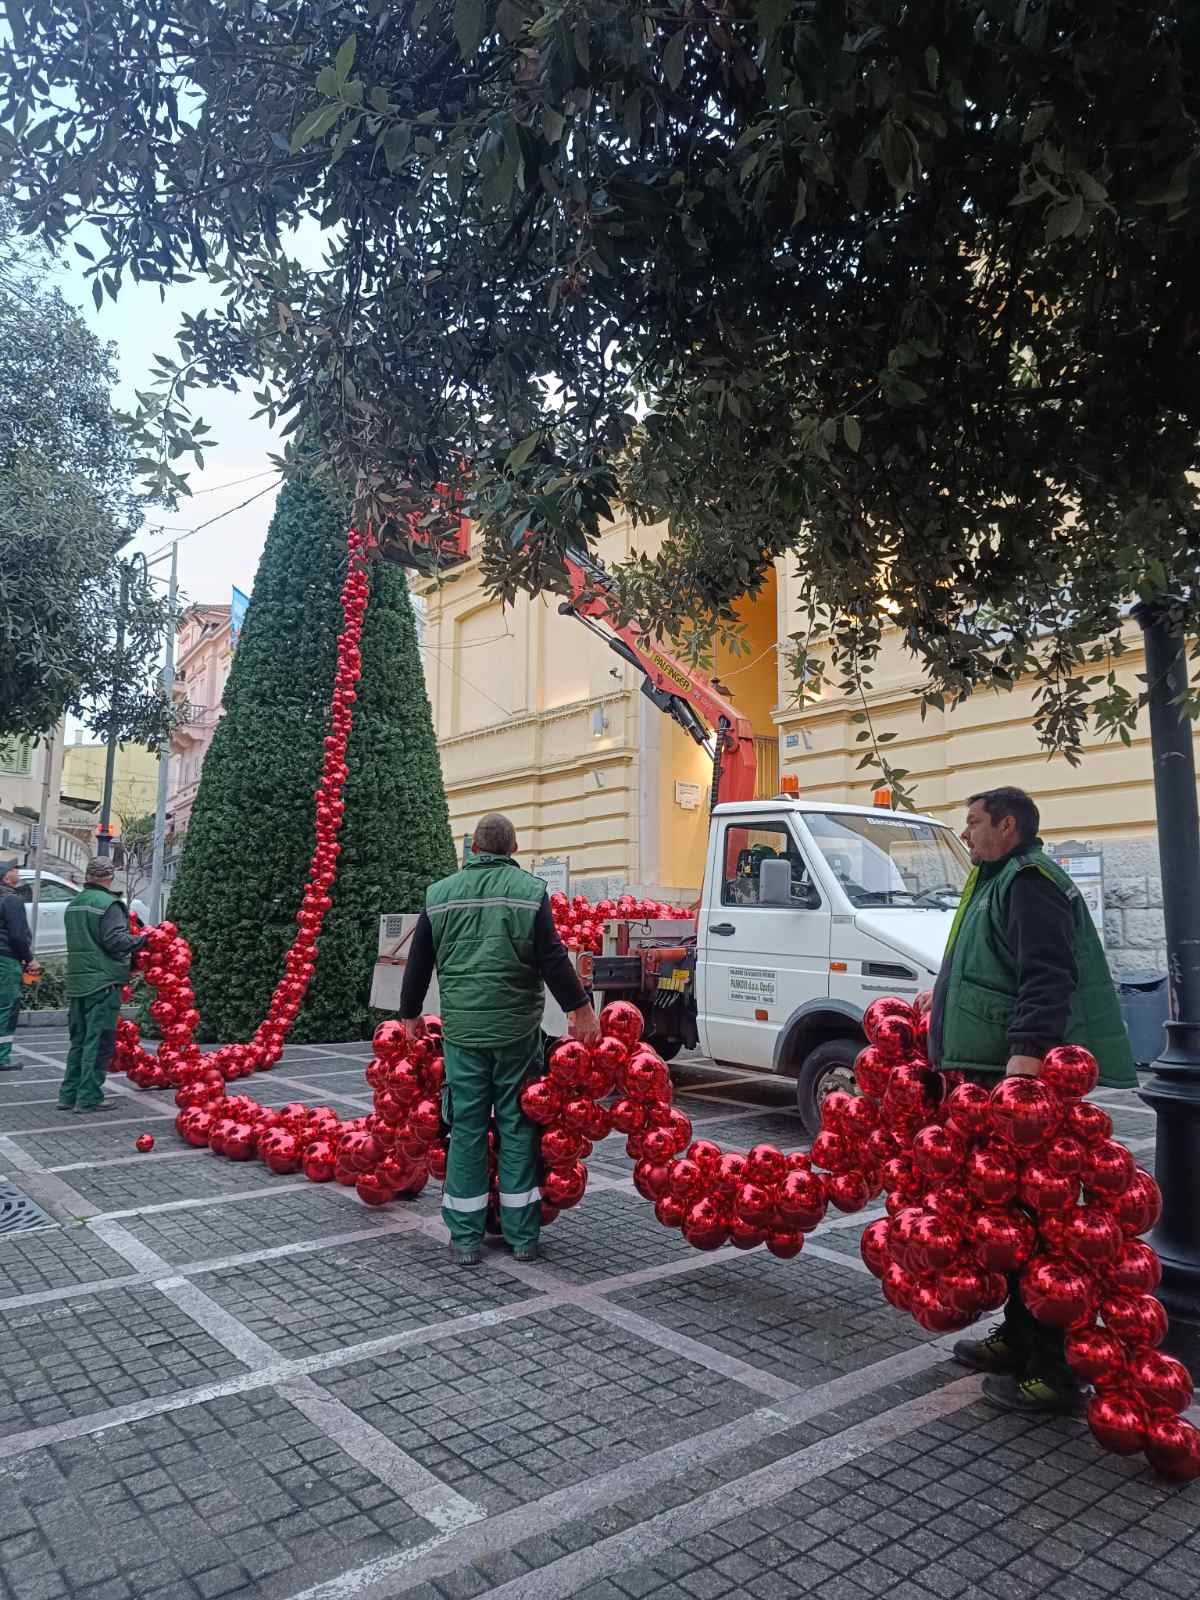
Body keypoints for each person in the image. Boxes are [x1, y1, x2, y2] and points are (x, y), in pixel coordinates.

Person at [925, 786, 1136, 1414]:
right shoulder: (998, 877)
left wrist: (1027, 1053)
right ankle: (1018, 1338)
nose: (966, 835)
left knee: (1040, 1225)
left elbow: (1048, 972)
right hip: (987, 1074)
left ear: (1007, 825)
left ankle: (1054, 1369)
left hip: (1012, 1081)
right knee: (1007, 1220)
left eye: (973, 823)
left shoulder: (1030, 881)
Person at [400, 812, 599, 1266]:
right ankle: (522, 1236)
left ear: (473, 850)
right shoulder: (530, 893)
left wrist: (410, 1015)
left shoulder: (439, 895)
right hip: (516, 1033)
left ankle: (466, 1239)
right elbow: (552, 958)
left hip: (464, 1035)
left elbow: (418, 962)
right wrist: (581, 1008)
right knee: (516, 1126)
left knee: (466, 1129)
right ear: (512, 850)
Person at [59, 856, 146, 1113]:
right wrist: (143, 940)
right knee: (99, 1041)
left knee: (79, 1040)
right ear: (110, 877)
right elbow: (115, 941)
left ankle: (68, 1094)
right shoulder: (108, 904)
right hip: (103, 982)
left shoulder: (74, 904)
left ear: (88, 876)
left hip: (78, 981)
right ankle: (88, 1096)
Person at [0, 859, 35, 1072]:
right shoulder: (11, 900)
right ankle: (2, 1057)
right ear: (5, 877)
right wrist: (29, 959)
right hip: (6, 960)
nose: (17, 872)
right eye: (13, 869)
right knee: (7, 1007)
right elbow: (17, 936)